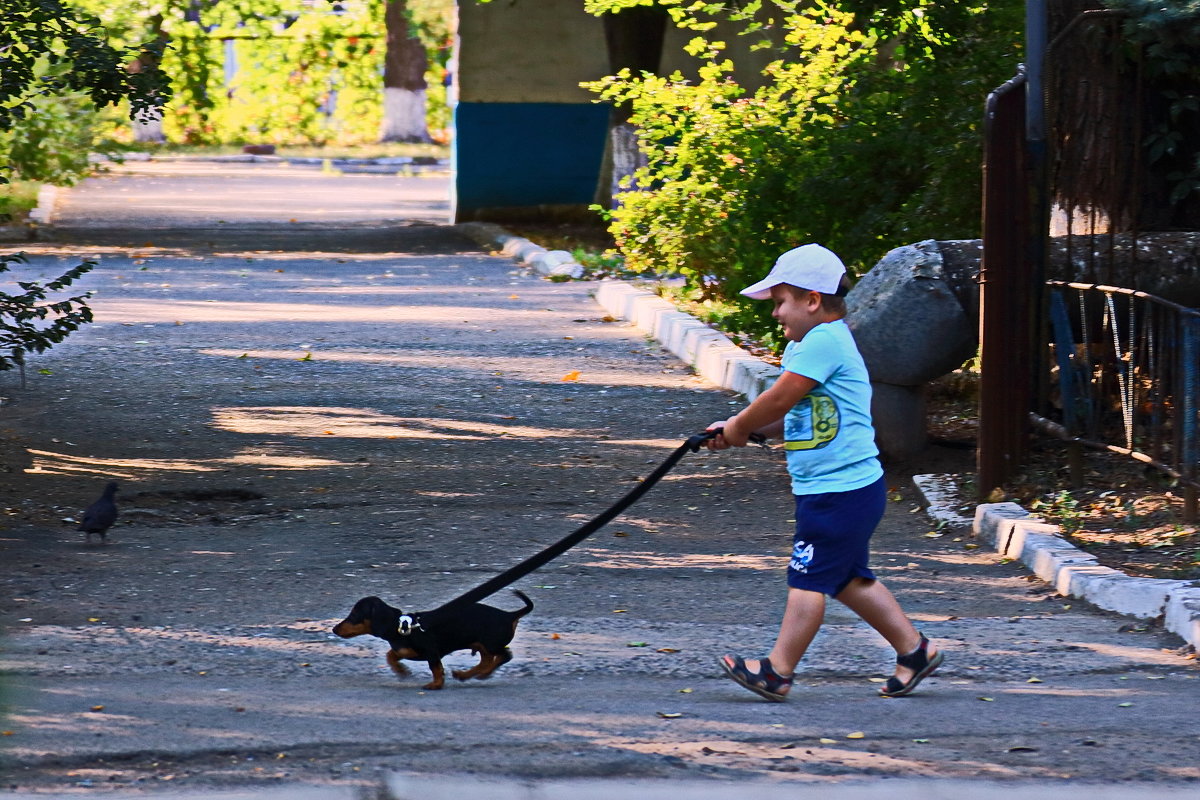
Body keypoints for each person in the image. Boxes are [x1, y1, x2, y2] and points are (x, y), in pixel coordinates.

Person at [706, 243, 943, 702]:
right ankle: (914, 651)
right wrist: (745, 433)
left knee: (808, 577)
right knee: (848, 579)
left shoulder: (823, 342)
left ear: (812, 300)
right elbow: (788, 417)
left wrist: (739, 425)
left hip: (841, 490)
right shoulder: (815, 345)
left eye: (780, 302)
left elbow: (776, 398)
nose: (776, 314)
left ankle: (777, 671)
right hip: (834, 489)